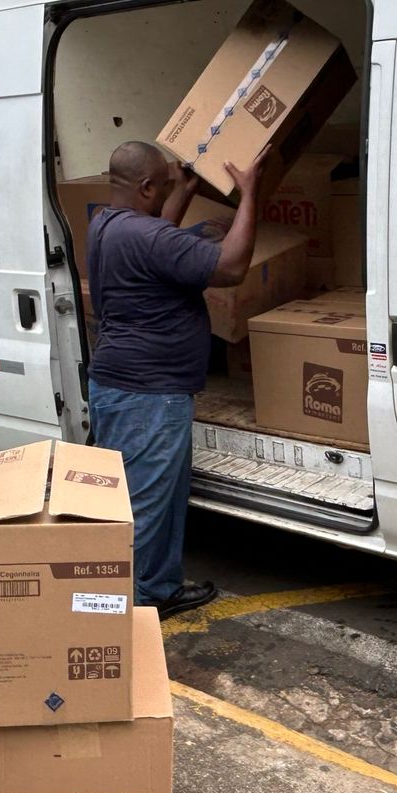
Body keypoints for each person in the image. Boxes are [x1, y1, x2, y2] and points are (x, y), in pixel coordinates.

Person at [87, 140, 270, 618]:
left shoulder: (106, 223)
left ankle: (157, 589)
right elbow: (231, 266)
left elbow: (158, 237)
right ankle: (134, 610)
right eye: (165, 187)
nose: (169, 192)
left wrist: (183, 190)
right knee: (147, 504)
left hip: (127, 387)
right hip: (146, 395)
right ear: (147, 187)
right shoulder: (146, 237)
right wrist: (251, 193)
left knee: (160, 497)